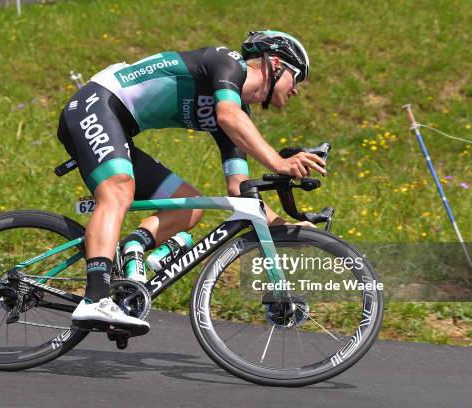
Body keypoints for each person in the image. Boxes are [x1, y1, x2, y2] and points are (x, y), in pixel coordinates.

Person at [56, 30, 326, 336]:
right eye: (297, 77)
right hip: (96, 104)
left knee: (188, 207)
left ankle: (133, 247)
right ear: (274, 64)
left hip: (117, 123)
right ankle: (95, 298)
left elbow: (239, 190)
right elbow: (227, 115)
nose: (297, 90)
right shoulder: (227, 63)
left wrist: (283, 227)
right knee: (118, 191)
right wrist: (278, 163)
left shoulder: (238, 114)